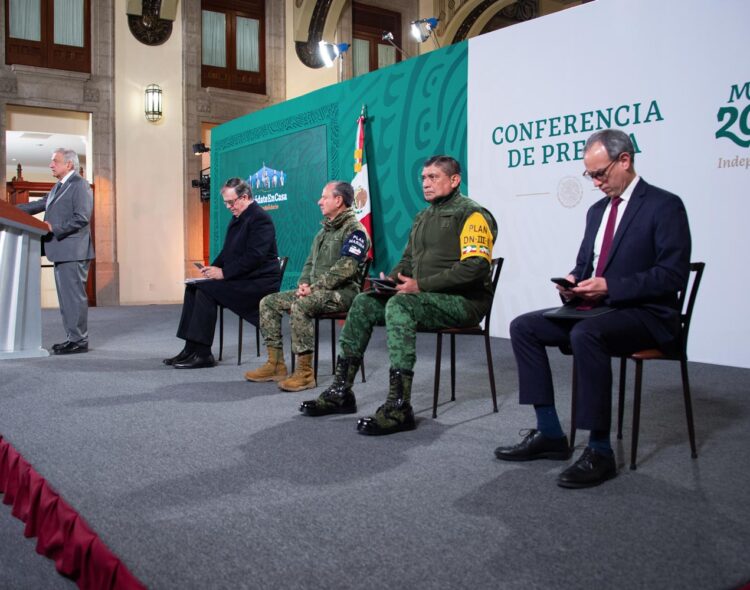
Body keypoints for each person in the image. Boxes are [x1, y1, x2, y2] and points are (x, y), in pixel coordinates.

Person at [494, 129, 692, 489]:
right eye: (591, 175)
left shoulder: (665, 205)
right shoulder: (596, 211)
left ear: (625, 161)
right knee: (524, 326)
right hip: (595, 309)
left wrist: (611, 287)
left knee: (587, 334)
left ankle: (600, 450)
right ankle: (551, 434)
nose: (596, 182)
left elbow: (672, 275)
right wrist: (573, 283)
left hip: (646, 315)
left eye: (600, 173)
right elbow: (585, 265)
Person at [299, 155, 497, 436]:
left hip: (464, 302)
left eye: (434, 177)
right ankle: (341, 391)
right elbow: (406, 262)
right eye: (424, 178)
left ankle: (398, 406)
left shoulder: (473, 214)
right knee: (365, 302)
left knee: (402, 305)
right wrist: (388, 282)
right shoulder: (423, 216)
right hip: (425, 298)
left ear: (454, 180)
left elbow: (475, 268)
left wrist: (421, 285)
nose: (426, 183)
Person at [244, 181, 370, 391]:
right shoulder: (323, 233)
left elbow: (345, 269)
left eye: (324, 197)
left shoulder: (355, 231)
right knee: (269, 302)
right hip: (317, 291)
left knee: (301, 306)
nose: (319, 201)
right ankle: (275, 365)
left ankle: (304, 373)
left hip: (344, 294)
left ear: (338, 200)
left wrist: (314, 289)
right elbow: (309, 263)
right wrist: (303, 284)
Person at [163, 177, 281, 369]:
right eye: (226, 202)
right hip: (244, 276)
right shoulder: (238, 218)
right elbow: (228, 252)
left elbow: (255, 257)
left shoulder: (260, 218)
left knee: (207, 291)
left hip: (259, 282)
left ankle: (203, 354)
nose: (228, 206)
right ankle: (190, 349)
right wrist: (211, 269)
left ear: (244, 197)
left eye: (231, 202)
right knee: (194, 288)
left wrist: (224, 273)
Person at [17, 148, 94, 355]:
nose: (51, 165)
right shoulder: (58, 187)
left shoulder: (80, 185)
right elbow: (39, 205)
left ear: (68, 164)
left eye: (55, 161)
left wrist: (54, 228)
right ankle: (73, 338)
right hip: (62, 250)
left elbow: (82, 217)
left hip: (73, 250)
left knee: (73, 298)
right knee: (66, 299)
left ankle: (79, 341)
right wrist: (10, 209)